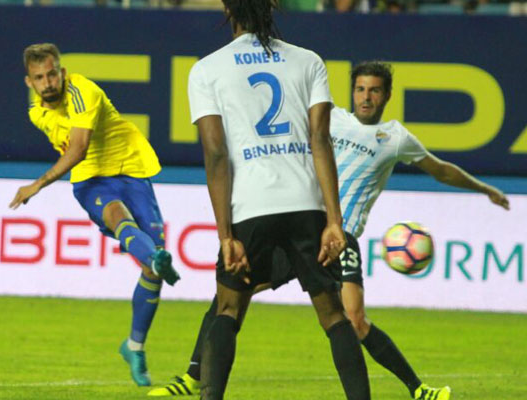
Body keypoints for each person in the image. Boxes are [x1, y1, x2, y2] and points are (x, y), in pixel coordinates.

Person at [148, 61, 510, 399]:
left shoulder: (395, 136)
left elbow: (440, 169)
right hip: (303, 227)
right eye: (361, 89)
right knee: (231, 296)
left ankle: (418, 388)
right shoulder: (331, 120)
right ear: (352, 92)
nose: (366, 97)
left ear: (387, 95)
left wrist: (485, 189)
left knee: (354, 319)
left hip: (341, 236)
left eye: (375, 90)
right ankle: (193, 377)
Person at [186, 1, 373, 399]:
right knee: (334, 316)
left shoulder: (207, 69)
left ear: (227, 9)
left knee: (228, 310)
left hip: (250, 206)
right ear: (271, 6)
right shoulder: (308, 61)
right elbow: (320, 141)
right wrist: (334, 221)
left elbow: (216, 155)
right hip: (305, 203)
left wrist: (225, 235)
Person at [9, 43, 181, 387]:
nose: (48, 83)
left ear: (62, 71)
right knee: (120, 219)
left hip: (130, 168)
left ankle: (134, 346)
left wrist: (38, 184)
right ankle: (158, 260)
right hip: (90, 180)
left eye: (52, 74)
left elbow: (78, 146)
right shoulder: (37, 113)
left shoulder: (83, 90)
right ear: (30, 82)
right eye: (40, 78)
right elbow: (79, 156)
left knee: (150, 268)